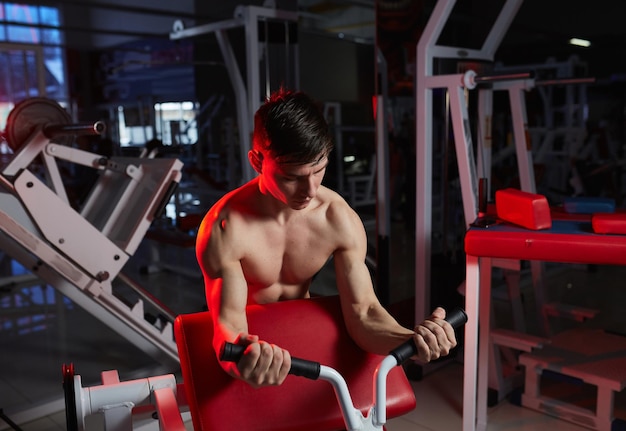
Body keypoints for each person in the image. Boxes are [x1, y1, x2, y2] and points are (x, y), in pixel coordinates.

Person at [196, 88, 457, 388]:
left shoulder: (336, 218)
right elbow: (228, 325)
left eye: (319, 170)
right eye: (292, 177)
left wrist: (413, 341)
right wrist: (243, 358)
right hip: (254, 350)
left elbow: (364, 313)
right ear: (256, 161)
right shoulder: (226, 227)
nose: (309, 190)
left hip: (305, 336)